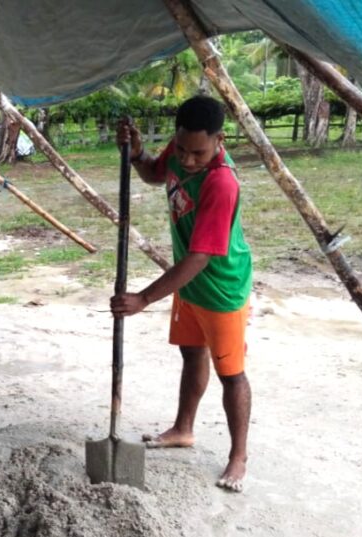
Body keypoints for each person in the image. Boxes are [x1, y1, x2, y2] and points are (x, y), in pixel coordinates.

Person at [111, 95, 253, 492]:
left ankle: (238, 457)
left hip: (221, 288)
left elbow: (200, 257)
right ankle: (183, 429)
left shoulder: (221, 183)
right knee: (191, 353)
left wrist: (143, 299)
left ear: (219, 140)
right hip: (187, 285)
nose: (189, 160)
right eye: (185, 149)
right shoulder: (179, 149)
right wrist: (137, 154)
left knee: (232, 374)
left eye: (199, 153)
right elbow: (156, 174)